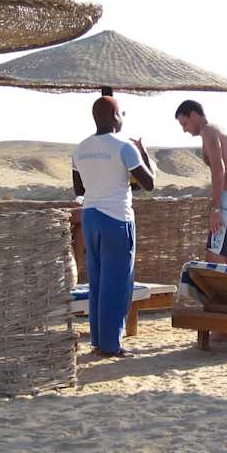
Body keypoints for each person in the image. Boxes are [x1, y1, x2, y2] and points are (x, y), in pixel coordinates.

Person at [72, 95, 156, 357]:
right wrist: (143, 152)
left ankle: (99, 340)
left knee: (97, 281)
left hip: (91, 217)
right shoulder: (124, 147)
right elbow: (149, 184)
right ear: (113, 117)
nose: (122, 118)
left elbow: (79, 189)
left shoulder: (80, 149)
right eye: (121, 113)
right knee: (117, 282)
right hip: (117, 218)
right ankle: (111, 345)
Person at [175, 99, 227, 264]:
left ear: (193, 115)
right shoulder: (226, 132)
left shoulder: (208, 131)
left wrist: (216, 208)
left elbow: (219, 170)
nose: (184, 130)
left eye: (184, 124)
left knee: (214, 264)